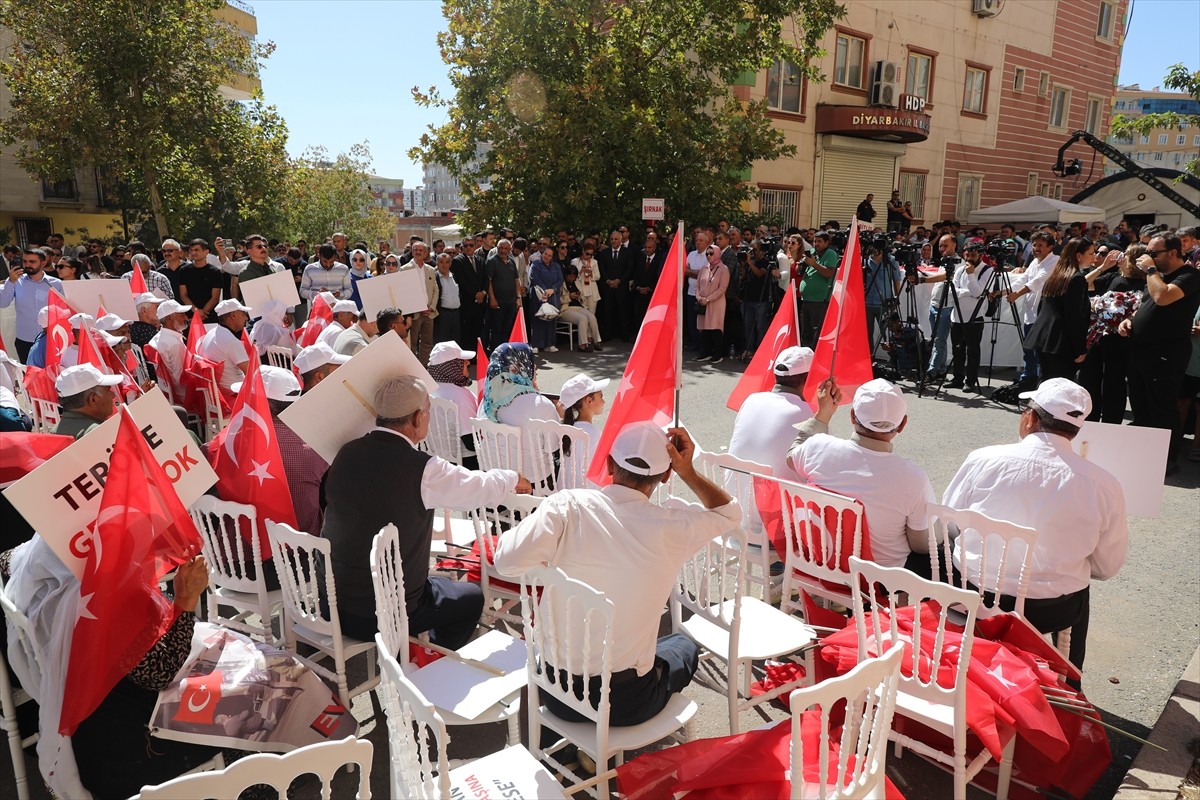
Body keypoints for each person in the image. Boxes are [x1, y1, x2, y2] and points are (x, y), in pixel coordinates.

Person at [493, 423, 739, 734]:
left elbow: (505, 561)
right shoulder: (672, 527)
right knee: (682, 646)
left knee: (658, 647)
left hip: (555, 691)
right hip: (624, 703)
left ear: (610, 463)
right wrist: (687, 472)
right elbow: (730, 514)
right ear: (665, 476)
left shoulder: (567, 506)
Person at [322, 376, 532, 645]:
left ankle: (417, 647)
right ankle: (429, 652)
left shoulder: (344, 453)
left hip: (334, 603)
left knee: (436, 582)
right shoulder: (423, 469)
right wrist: (513, 478)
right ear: (418, 418)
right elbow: (476, 488)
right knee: (471, 596)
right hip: (387, 613)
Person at [4, 539, 219, 799]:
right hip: (123, 750)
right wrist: (186, 598)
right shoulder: (108, 594)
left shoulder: (46, 553)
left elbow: (7, 558)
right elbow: (158, 673)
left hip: (81, 720)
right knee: (254, 710)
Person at [942, 379, 1127, 674]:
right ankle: (1070, 682)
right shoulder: (1104, 483)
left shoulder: (982, 459)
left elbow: (950, 521)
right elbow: (1107, 567)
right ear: (1077, 428)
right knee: (1079, 586)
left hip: (974, 593)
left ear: (1030, 418)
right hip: (1050, 607)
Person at [786, 378, 935, 576]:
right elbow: (921, 546)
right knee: (938, 552)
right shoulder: (913, 478)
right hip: (878, 581)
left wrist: (823, 414)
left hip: (821, 562)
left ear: (853, 416)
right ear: (902, 424)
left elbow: (791, 456)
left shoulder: (817, 447)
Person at [1119, 232, 1200, 472]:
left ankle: (1166, 460)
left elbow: (1163, 297)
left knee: (1162, 407)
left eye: (1153, 253)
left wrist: (1151, 271)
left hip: (1166, 353)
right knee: (1141, 405)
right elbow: (1149, 305)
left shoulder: (1189, 275)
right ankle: (1143, 455)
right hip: (1141, 349)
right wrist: (1131, 320)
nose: (1147, 257)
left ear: (1173, 253)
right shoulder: (1158, 276)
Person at [248, 365, 328, 537]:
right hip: (305, 548)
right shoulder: (318, 446)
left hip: (247, 549)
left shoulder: (227, 446)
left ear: (260, 402)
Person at [729, 346, 814, 481]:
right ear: (808, 378)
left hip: (734, 492)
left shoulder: (751, 399)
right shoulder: (809, 414)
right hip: (776, 499)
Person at [1026, 237, 1093, 382]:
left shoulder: (1056, 276)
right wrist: (1080, 348)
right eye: (1091, 253)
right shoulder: (1076, 279)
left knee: (1045, 384)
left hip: (1044, 338)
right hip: (1060, 344)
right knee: (1058, 389)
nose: (1093, 258)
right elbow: (1074, 317)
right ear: (1079, 256)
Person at [1004, 232, 1060, 389]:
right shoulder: (1035, 261)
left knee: (1039, 352)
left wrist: (1017, 294)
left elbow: (1038, 281)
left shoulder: (1055, 261)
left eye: (1041, 245)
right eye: (1034, 245)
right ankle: (1029, 378)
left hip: (1044, 314)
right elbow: (1024, 279)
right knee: (1028, 348)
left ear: (1050, 247)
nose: (1036, 248)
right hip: (1030, 313)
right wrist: (1003, 291)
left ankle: (1039, 383)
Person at [942, 242, 994, 392]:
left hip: (975, 316)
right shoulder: (959, 270)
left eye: (973, 255)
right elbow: (953, 291)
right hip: (956, 316)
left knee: (972, 351)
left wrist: (971, 275)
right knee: (957, 350)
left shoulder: (987, 271)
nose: (969, 258)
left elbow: (978, 293)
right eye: (967, 255)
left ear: (981, 255)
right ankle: (957, 378)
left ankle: (970, 381)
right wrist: (968, 293)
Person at [1, 247, 64, 362]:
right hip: (24, 339)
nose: (27, 265)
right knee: (29, 376)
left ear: (43, 262)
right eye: (25, 261)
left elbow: (63, 310)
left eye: (32, 262)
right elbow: (3, 303)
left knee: (52, 376)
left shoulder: (56, 284)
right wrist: (10, 281)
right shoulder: (16, 281)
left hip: (51, 338)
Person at [915, 235, 962, 381]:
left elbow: (945, 277)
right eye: (940, 246)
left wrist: (922, 279)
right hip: (935, 304)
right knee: (938, 339)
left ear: (954, 244)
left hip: (946, 306)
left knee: (939, 341)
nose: (942, 249)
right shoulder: (944, 260)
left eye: (945, 246)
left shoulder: (959, 263)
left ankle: (932, 371)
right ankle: (941, 370)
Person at [428, 341, 480, 469]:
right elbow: (470, 442)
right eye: (462, 361)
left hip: (436, 459)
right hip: (465, 463)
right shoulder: (460, 396)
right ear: (452, 367)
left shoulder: (427, 389)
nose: (468, 362)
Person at [52, 363, 122, 439]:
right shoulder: (101, 433)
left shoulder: (54, 432)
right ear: (93, 399)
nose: (113, 395)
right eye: (108, 390)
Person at [199, 298, 252, 394]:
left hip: (218, 393)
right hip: (234, 394)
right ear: (233, 315)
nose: (246, 318)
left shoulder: (211, 333)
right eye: (243, 314)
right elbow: (251, 372)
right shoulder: (231, 341)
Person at [401, 242, 440, 365]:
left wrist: (432, 307)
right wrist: (418, 308)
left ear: (425, 252)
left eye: (421, 250)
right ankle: (413, 368)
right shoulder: (404, 269)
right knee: (412, 343)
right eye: (415, 249)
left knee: (427, 343)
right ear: (412, 252)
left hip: (429, 313)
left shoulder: (430, 270)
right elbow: (404, 293)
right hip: (414, 314)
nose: (418, 252)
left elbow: (435, 290)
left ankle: (424, 368)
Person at [797, 232, 838, 348]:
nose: (816, 244)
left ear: (827, 242)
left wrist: (813, 264)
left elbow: (829, 273)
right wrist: (801, 266)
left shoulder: (830, 254)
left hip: (819, 301)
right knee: (806, 331)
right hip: (806, 299)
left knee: (816, 331)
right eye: (815, 241)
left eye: (820, 241)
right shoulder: (812, 253)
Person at [148, 299, 192, 399]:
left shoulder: (158, 338)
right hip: (181, 395)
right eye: (182, 315)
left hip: (167, 391)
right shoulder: (174, 344)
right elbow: (180, 378)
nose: (186, 317)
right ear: (169, 318)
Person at [863, 243, 903, 353]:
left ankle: (894, 358)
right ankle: (869, 357)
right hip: (867, 303)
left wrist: (896, 297)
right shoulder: (865, 260)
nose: (875, 250)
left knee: (888, 333)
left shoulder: (891, 260)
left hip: (885, 302)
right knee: (867, 333)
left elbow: (896, 280)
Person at [695, 244, 730, 363]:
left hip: (716, 303)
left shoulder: (723, 269)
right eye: (707, 254)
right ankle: (705, 352)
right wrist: (699, 297)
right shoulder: (704, 268)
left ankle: (717, 354)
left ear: (717, 254)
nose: (709, 256)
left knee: (715, 328)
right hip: (703, 303)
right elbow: (698, 286)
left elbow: (722, 289)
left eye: (711, 253)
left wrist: (708, 299)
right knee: (704, 328)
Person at [486, 238, 521, 351]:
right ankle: (495, 353)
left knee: (507, 329)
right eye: (500, 248)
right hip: (498, 301)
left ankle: (505, 352)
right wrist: (492, 298)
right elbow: (489, 281)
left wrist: (518, 297)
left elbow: (516, 280)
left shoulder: (511, 262)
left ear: (509, 249)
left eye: (506, 248)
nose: (502, 250)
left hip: (511, 301)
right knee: (496, 329)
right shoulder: (492, 261)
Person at [597, 230, 632, 341]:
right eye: (612, 239)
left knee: (623, 311)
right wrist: (608, 281)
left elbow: (629, 269)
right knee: (608, 311)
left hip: (621, 286)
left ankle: (625, 334)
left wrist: (619, 280)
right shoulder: (605, 253)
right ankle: (607, 334)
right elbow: (602, 268)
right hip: (608, 287)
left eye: (616, 239)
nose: (613, 241)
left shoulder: (628, 252)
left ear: (621, 240)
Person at [559, 264, 602, 352]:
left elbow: (583, 297)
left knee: (592, 317)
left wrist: (579, 297)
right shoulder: (560, 284)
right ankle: (582, 345)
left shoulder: (577, 282)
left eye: (574, 277)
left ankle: (596, 341)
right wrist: (569, 297)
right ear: (566, 275)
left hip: (579, 306)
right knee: (582, 318)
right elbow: (558, 300)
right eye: (570, 276)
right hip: (566, 309)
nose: (572, 278)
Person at [529, 245, 564, 354]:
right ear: (542, 254)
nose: (547, 257)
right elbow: (534, 278)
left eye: (549, 256)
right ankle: (536, 344)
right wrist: (545, 290)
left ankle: (550, 344)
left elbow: (560, 280)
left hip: (553, 295)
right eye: (545, 254)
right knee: (538, 319)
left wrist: (552, 290)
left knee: (551, 319)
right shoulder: (535, 265)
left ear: (552, 257)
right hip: (539, 295)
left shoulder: (556, 267)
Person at [557, 372, 609, 444]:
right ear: (589, 401)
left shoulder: (565, 430)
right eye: (601, 397)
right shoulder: (595, 434)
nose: (603, 402)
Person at [181, 239, 223, 320]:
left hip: (209, 316)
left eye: (196, 250)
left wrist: (203, 313)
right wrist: (196, 311)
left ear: (206, 252)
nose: (193, 253)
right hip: (190, 316)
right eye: (191, 250)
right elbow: (183, 295)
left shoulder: (215, 272)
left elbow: (215, 297)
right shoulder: (184, 270)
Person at [433, 251, 462, 346]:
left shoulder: (454, 276)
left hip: (456, 314)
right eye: (441, 262)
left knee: (455, 341)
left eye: (447, 262)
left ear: (450, 264)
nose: (444, 265)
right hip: (442, 314)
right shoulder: (434, 277)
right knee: (443, 342)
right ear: (437, 263)